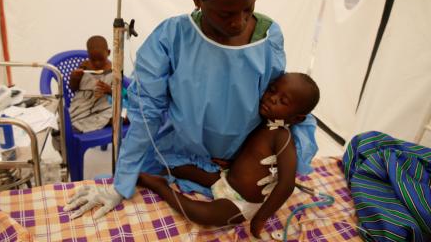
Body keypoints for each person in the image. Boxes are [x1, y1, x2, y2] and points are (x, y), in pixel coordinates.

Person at [63, 0, 318, 222]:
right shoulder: (172, 39)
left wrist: (250, 156)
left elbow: (273, 103)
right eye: (226, 14)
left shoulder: (268, 37)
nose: (240, 21)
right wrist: (121, 185)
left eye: (249, 8)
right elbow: (147, 113)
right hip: (186, 155)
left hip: (241, 162)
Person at [137, 73, 320, 238]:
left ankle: (160, 187)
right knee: (181, 168)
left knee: (199, 214)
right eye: (272, 90)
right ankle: (157, 172)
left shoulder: (283, 138)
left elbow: (286, 185)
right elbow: (254, 154)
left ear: (297, 118)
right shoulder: (263, 123)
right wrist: (232, 161)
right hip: (225, 180)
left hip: (242, 203)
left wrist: (261, 218)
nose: (272, 98)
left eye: (283, 101)